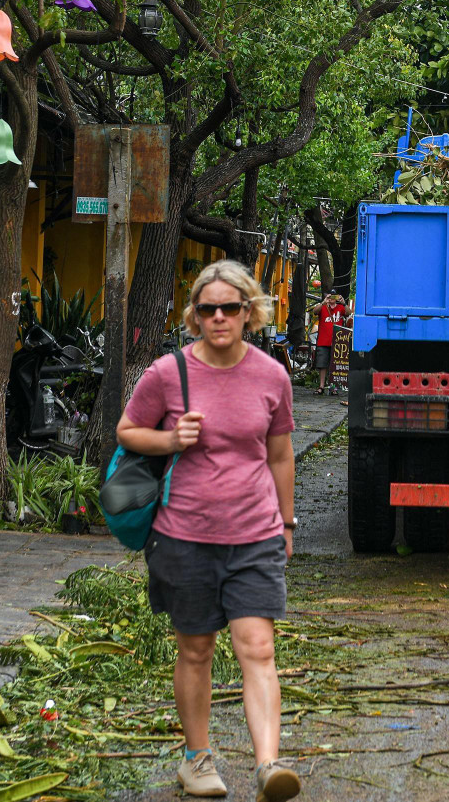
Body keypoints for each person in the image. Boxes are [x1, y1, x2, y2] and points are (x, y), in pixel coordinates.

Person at [116, 259, 300, 801]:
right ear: (195, 316)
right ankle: (197, 760)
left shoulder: (272, 375)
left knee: (258, 648)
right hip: (184, 535)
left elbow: (281, 454)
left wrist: (287, 522)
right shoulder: (167, 373)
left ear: (250, 313)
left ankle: (269, 765)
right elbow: (128, 432)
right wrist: (171, 440)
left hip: (255, 532)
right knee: (196, 649)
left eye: (230, 308)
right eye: (207, 309)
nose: (219, 317)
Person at [313, 292, 350, 396]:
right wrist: (324, 302)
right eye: (330, 296)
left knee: (334, 366)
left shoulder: (340, 308)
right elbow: (315, 311)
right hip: (323, 341)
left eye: (334, 297)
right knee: (322, 364)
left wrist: (344, 303)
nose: (332, 299)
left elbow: (348, 313)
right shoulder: (323, 307)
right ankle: (321, 386)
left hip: (337, 342)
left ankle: (333, 387)